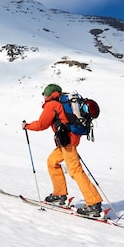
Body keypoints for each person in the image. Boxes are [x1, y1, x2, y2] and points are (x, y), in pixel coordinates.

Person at [22, 83, 103, 217]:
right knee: (52, 161)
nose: (43, 96)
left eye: (44, 94)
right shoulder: (61, 101)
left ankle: (93, 203)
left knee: (75, 170)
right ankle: (59, 194)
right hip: (68, 140)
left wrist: (27, 126)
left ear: (48, 94)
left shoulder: (52, 105)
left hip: (67, 142)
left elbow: (42, 124)